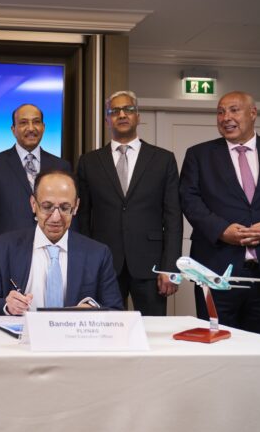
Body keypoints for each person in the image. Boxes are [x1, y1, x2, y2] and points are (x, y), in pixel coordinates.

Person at [179, 91, 260, 337]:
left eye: (233, 110)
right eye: (220, 112)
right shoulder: (198, 155)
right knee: (218, 344)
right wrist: (220, 230)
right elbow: (189, 200)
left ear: (253, 113)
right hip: (215, 271)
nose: (225, 117)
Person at [76, 90, 182, 315]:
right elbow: (82, 218)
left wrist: (170, 268)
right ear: (107, 119)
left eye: (128, 109)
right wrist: (86, 266)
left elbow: (173, 217)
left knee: (153, 335)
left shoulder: (163, 159)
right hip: (103, 264)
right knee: (104, 333)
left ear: (138, 116)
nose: (122, 115)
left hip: (151, 266)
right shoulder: (89, 162)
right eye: (114, 111)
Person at [0, 170, 123, 315]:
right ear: (33, 204)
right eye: (47, 207)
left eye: (65, 208)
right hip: (22, 335)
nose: (55, 217)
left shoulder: (97, 254)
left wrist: (92, 309)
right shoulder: (1, 248)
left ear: (76, 206)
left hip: (74, 336)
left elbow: (116, 310)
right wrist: (7, 306)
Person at [0, 103, 72, 258]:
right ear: (13, 129)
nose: (31, 128)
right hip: (9, 254)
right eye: (23, 123)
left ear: (43, 127)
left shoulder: (61, 166)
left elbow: (70, 216)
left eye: (36, 122)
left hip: (54, 254)